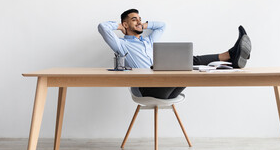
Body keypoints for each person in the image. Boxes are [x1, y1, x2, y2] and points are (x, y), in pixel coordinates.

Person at [98, 9, 251, 99]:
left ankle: (230, 56)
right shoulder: (121, 45)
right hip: (148, 89)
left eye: (140, 19)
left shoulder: (148, 41)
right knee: (188, 68)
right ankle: (231, 58)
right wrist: (120, 26)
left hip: (164, 82)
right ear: (125, 24)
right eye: (134, 20)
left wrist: (143, 25)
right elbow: (102, 27)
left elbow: (162, 26)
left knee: (187, 61)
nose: (139, 21)